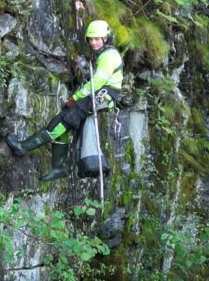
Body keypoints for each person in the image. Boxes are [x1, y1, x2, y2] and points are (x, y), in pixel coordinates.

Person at [7, 18, 125, 180]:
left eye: (97, 39)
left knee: (61, 122)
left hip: (100, 97)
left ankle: (24, 147)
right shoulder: (104, 54)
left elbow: (97, 81)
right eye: (90, 39)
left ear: (105, 38)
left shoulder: (108, 56)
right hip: (98, 97)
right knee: (65, 123)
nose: (93, 43)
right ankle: (58, 168)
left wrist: (74, 98)